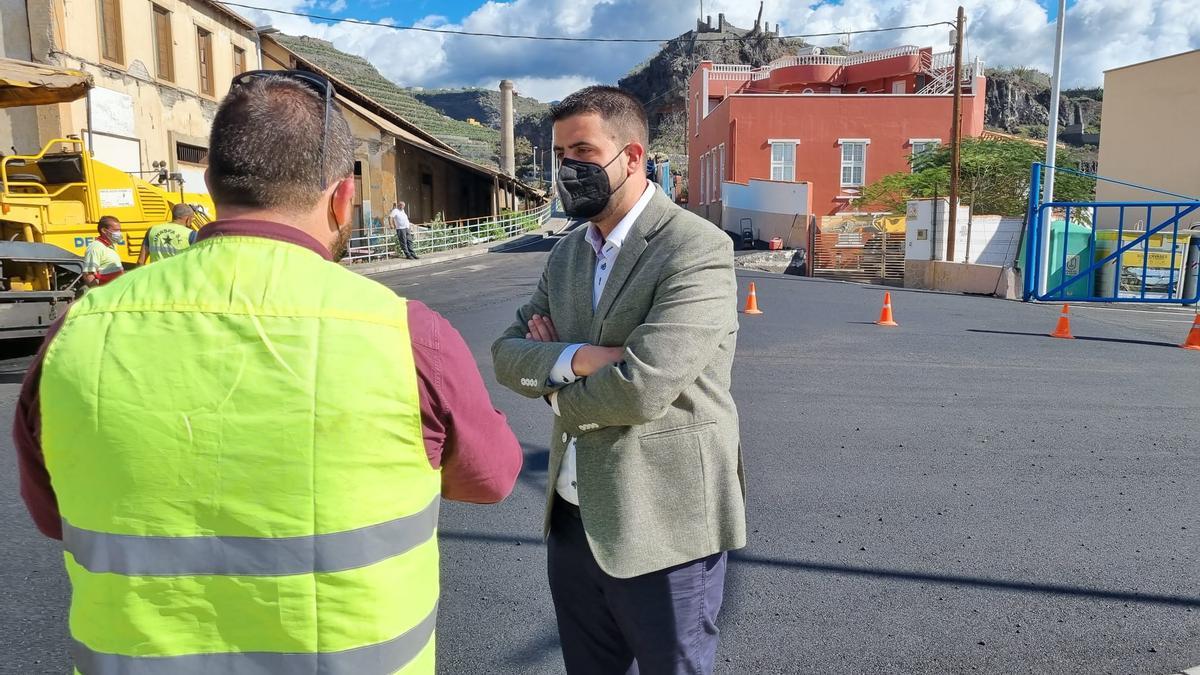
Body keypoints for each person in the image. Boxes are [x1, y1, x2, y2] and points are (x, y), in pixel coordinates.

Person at [14, 70, 522, 674]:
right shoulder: (405, 335)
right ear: (341, 199)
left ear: (210, 184)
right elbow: (489, 480)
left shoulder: (79, 329)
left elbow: (54, 515)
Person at [492, 86, 745, 674]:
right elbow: (506, 355)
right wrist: (582, 357)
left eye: (583, 150)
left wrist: (551, 375)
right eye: (560, 155)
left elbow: (642, 386)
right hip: (574, 522)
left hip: (665, 526)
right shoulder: (567, 255)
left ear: (632, 157)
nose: (568, 169)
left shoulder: (696, 248)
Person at [81, 215, 126, 287]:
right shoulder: (95, 247)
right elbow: (88, 275)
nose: (119, 233)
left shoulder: (112, 245)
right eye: (115, 230)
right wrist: (99, 294)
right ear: (104, 230)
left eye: (119, 230)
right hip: (107, 293)